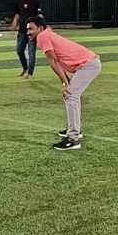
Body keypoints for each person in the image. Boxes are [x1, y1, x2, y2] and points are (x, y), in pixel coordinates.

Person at [27, 17, 101, 151]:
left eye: (31, 29)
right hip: (88, 64)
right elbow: (57, 62)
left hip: (88, 65)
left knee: (70, 96)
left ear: (40, 28)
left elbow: (54, 61)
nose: (28, 32)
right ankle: (74, 130)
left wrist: (65, 84)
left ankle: (73, 139)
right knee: (71, 95)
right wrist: (65, 83)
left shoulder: (42, 36)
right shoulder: (46, 34)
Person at [9, 0, 43, 79]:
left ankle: (30, 74)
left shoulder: (35, 1)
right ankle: (25, 69)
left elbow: (40, 15)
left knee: (31, 52)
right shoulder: (19, 1)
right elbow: (17, 14)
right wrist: (14, 23)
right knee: (19, 50)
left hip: (32, 32)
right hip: (22, 31)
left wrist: (42, 27)